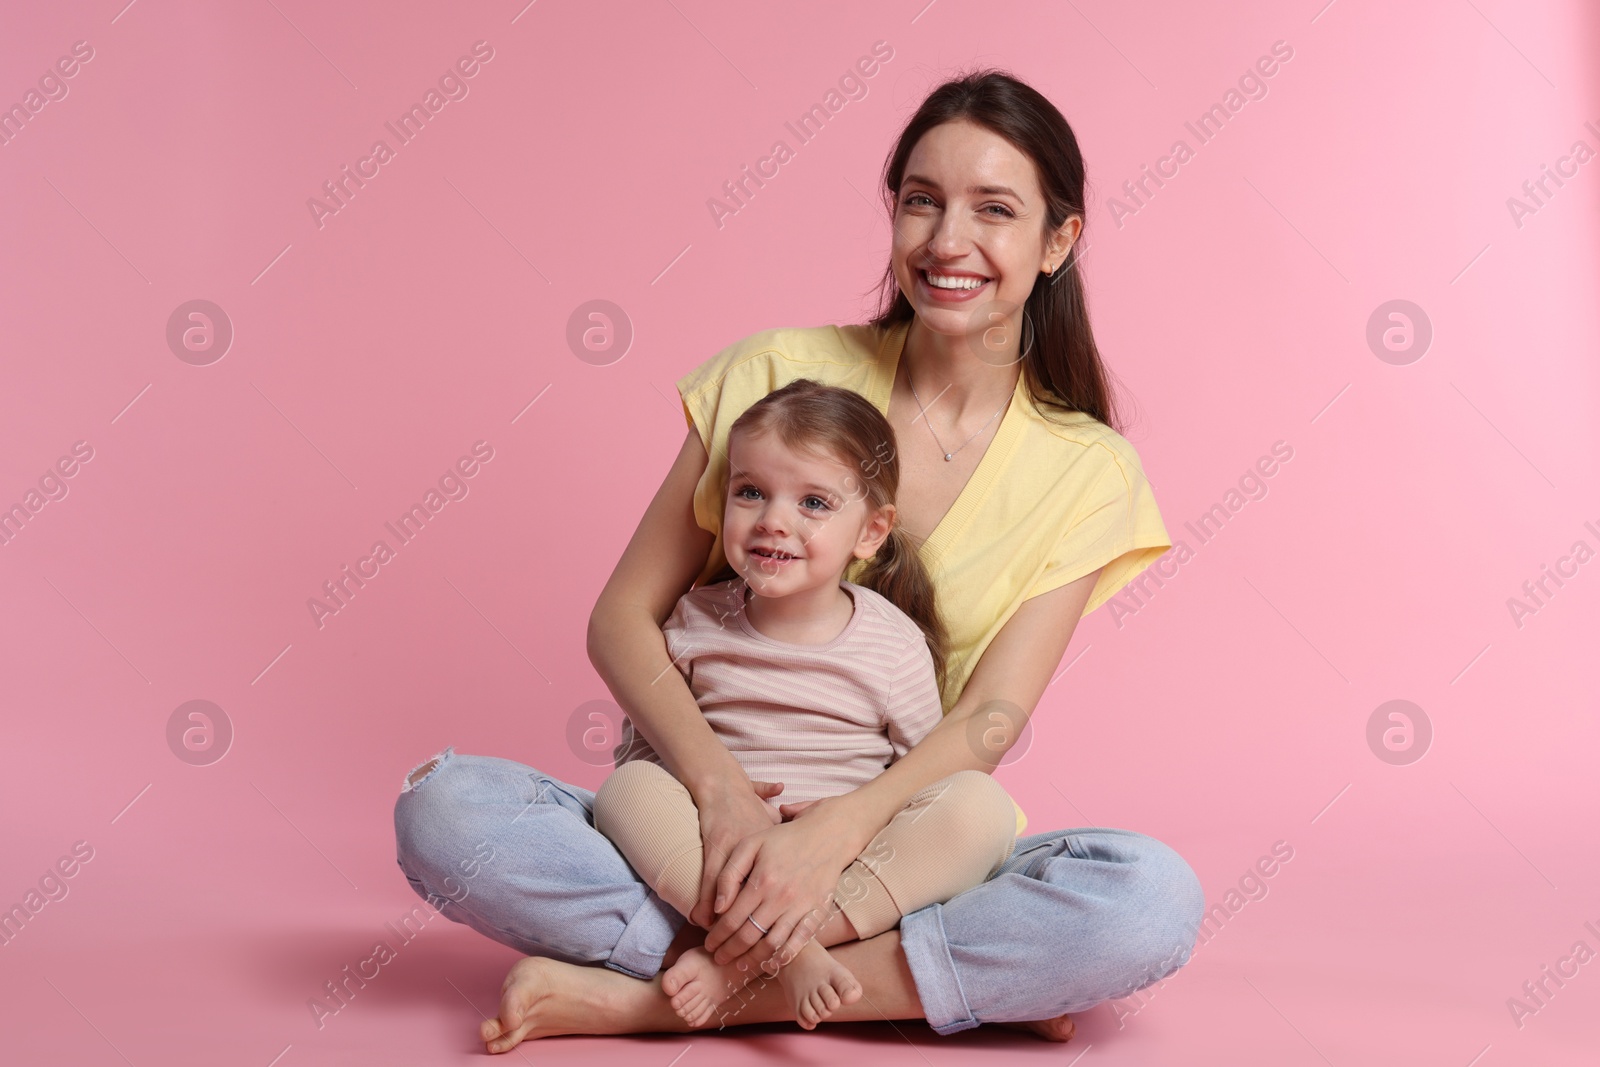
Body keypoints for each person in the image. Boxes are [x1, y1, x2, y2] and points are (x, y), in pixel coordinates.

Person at [393, 68, 1205, 1053]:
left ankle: (664, 994)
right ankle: (932, 979)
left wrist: (835, 833)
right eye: (921, 202)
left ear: (1057, 240)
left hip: (883, 841)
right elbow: (621, 618)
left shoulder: (1088, 469)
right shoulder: (773, 371)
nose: (947, 241)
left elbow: (987, 723)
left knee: (1145, 899)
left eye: (994, 210)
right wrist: (722, 793)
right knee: (445, 810)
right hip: (700, 827)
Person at [590, 378, 1021, 1031]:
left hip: (840, 869)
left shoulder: (892, 644)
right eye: (750, 491)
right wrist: (701, 806)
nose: (773, 519)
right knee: (626, 788)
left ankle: (743, 957)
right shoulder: (693, 621)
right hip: (717, 858)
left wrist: (852, 831)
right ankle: (795, 954)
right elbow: (651, 749)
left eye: (814, 501)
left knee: (980, 807)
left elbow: (921, 776)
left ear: (871, 532)